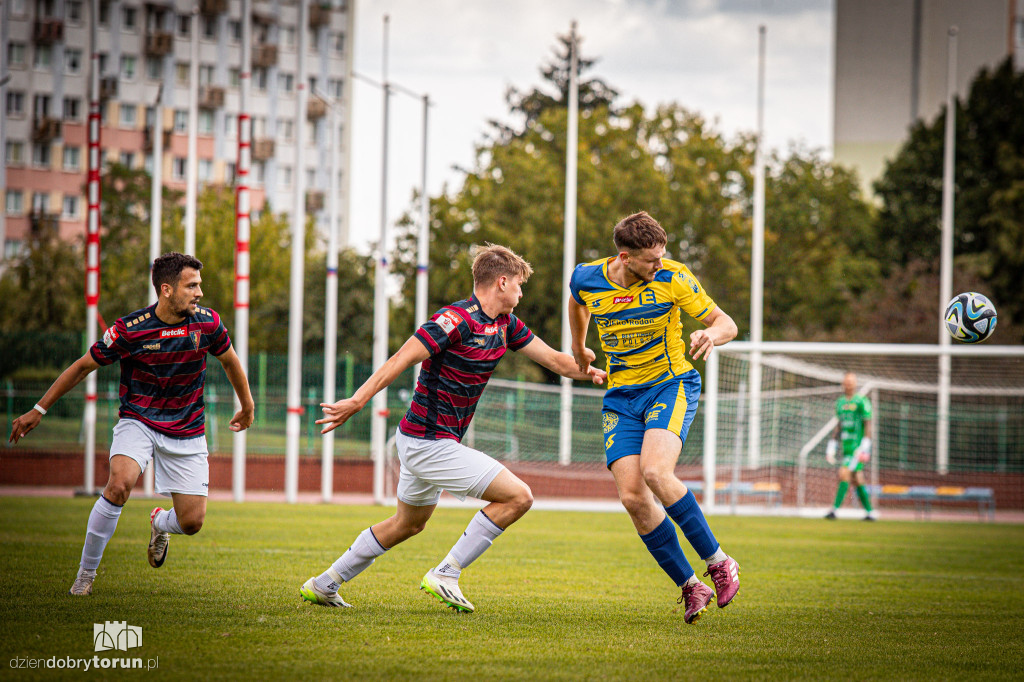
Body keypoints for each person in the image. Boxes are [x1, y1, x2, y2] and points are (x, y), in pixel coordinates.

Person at [300, 244, 606, 612]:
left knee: (406, 525)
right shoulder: (454, 320)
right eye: (520, 285)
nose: (522, 293)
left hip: (423, 442)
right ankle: (446, 572)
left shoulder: (506, 325)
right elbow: (400, 358)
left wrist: (593, 369)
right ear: (502, 282)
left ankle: (324, 584)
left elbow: (559, 362)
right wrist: (358, 400)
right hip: (428, 443)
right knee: (519, 496)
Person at [8, 252, 255, 596]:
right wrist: (39, 409)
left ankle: (158, 522)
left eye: (199, 285)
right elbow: (82, 366)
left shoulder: (208, 323)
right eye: (192, 285)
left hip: (187, 427)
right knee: (119, 485)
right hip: (138, 420)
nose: (199, 293)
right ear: (166, 290)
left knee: (192, 523)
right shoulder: (130, 330)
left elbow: (230, 362)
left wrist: (247, 405)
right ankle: (84, 577)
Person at [567, 211, 740, 625]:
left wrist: (709, 334)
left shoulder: (674, 277)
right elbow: (577, 302)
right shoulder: (586, 277)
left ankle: (719, 562)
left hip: (670, 384)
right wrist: (578, 349)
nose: (660, 265)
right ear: (625, 257)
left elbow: (726, 323)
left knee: (657, 473)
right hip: (621, 397)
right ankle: (689, 585)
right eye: (651, 259)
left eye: (662, 256)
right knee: (632, 496)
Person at [824, 372, 876, 521]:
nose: (849, 384)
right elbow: (839, 426)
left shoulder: (862, 401)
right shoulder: (840, 403)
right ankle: (870, 512)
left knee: (844, 473)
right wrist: (832, 446)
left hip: (858, 449)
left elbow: (868, 424)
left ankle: (834, 510)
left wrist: (865, 446)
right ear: (843, 384)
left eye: (851, 382)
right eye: (846, 381)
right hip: (846, 448)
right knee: (857, 479)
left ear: (855, 384)